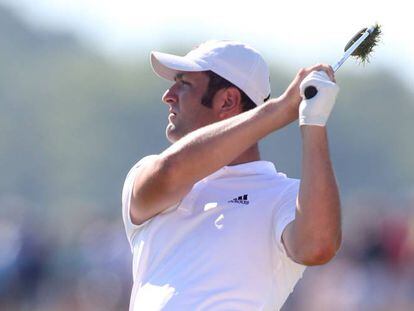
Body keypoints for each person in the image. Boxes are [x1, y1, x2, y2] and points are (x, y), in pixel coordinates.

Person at [122, 40, 342, 311]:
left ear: (228, 100)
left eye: (185, 84)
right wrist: (281, 110)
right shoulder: (149, 171)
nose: (168, 95)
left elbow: (317, 247)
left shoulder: (285, 197)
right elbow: (171, 172)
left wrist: (314, 122)